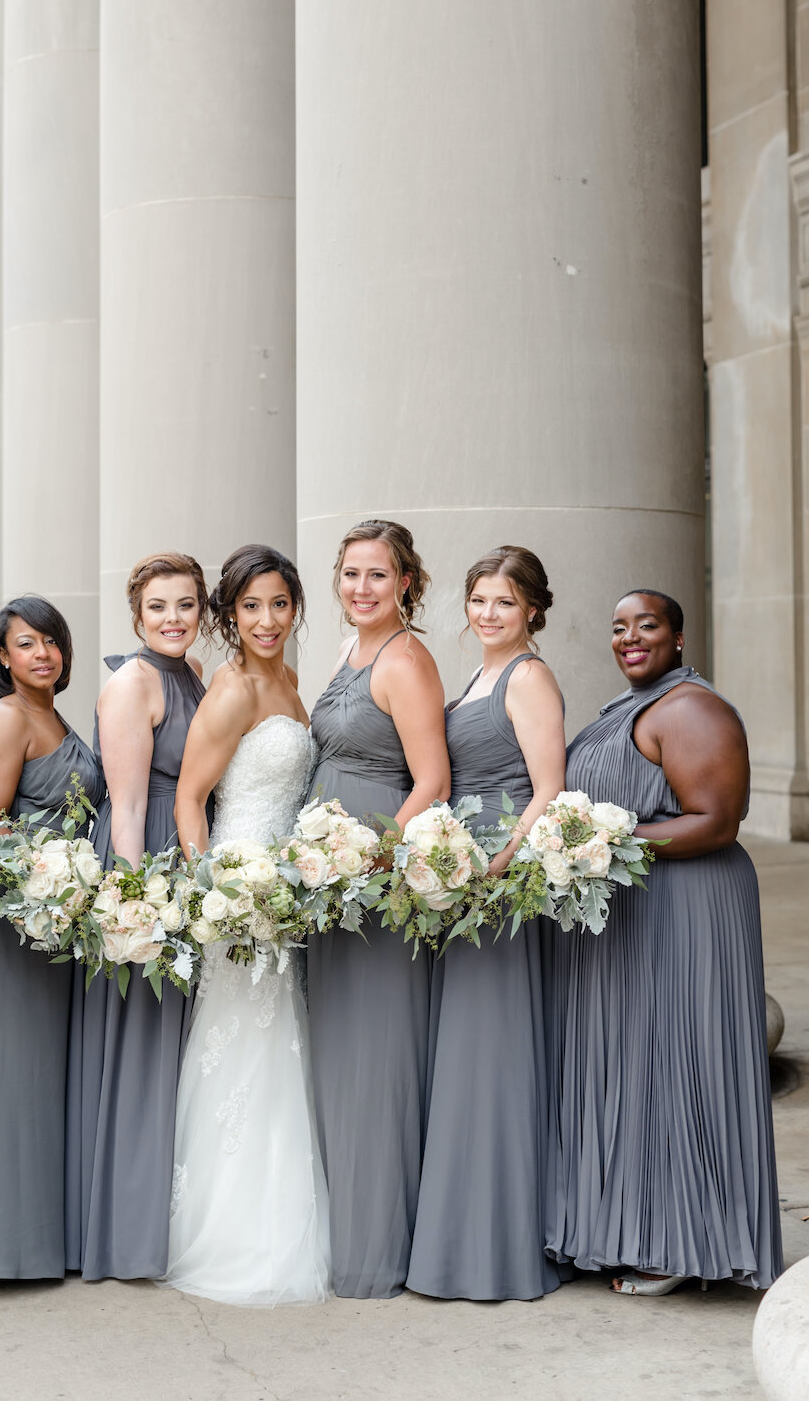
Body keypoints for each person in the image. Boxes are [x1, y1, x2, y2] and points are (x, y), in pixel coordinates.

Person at [545, 590, 784, 1294]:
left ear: (679, 636)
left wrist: (596, 841)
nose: (629, 638)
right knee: (640, 1069)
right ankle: (639, 1229)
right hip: (642, 907)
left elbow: (715, 822)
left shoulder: (691, 708)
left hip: (690, 908)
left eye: (646, 625)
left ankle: (685, 1247)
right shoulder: (628, 707)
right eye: (618, 628)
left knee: (680, 1064)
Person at [167, 545, 330, 1305]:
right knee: (243, 1052)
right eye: (252, 607)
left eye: (280, 604)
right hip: (242, 896)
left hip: (286, 893)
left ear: (296, 607)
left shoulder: (291, 682)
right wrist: (219, 899)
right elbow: (189, 801)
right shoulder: (231, 689)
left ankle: (282, 1217)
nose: (268, 621)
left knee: (281, 1050)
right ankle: (236, 1233)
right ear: (230, 616)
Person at [407, 546, 566, 1301]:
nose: (488, 614)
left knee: (490, 1057)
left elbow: (547, 790)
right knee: (463, 1059)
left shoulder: (530, 678)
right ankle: (457, 1242)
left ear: (533, 608)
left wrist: (495, 869)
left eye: (504, 602)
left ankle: (493, 1250)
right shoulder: (478, 676)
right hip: (460, 883)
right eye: (478, 600)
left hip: (500, 891)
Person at [305, 519, 450, 1299]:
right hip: (325, 879)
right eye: (350, 574)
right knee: (336, 1055)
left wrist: (366, 860)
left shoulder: (407, 660)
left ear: (406, 584)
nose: (361, 589)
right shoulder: (348, 652)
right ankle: (342, 1234)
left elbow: (432, 781)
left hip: (376, 883)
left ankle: (378, 1252)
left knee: (376, 1055)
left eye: (377, 576)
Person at [66, 553, 209, 1281]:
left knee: (172, 1041)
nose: (174, 618)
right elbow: (123, 803)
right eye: (159, 607)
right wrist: (134, 900)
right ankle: (122, 1229)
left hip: (181, 856)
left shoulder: (191, 676)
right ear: (136, 616)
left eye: (186, 605)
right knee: (141, 1036)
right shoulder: (134, 680)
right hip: (144, 858)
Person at [0, 596, 103, 1280]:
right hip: (21, 925)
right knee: (16, 1077)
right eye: (25, 643)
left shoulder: (54, 715)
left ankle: (49, 1236)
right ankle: (0, 1245)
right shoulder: (6, 718)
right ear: (2, 657)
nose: (42, 654)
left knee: (50, 1078)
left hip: (64, 922)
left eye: (50, 641)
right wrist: (50, 871)